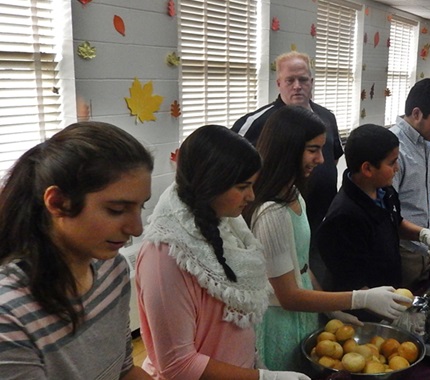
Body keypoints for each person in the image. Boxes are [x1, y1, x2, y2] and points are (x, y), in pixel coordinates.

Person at [136, 125, 308, 380]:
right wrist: (264, 378)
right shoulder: (165, 255)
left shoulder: (227, 226)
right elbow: (178, 366)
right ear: (210, 184)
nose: (251, 196)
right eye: (243, 187)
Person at [245, 107, 409, 371]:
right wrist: (359, 299)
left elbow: (302, 265)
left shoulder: (293, 194)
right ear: (288, 149)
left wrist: (329, 309)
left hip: (303, 317)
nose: (321, 159)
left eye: (322, 149)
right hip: (281, 322)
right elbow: (288, 296)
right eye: (313, 150)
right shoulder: (271, 214)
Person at [0, 122, 153, 379]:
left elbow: (124, 370)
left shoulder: (112, 268)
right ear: (58, 203)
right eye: (116, 210)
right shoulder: (9, 314)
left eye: (141, 207)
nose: (136, 229)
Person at [231, 51, 344, 287]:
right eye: (290, 80)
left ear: (311, 81)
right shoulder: (258, 122)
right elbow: (232, 170)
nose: (297, 86)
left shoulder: (326, 117)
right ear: (278, 83)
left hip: (318, 224)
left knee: (315, 285)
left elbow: (332, 160)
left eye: (303, 80)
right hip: (277, 225)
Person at [317, 124, 430, 320]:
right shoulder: (344, 218)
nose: (397, 168)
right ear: (368, 168)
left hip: (389, 293)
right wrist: (394, 312)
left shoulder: (384, 191)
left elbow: (395, 222)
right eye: (392, 162)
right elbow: (351, 282)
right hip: (361, 314)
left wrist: (422, 234)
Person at [389, 78, 430, 290]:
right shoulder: (394, 148)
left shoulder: (426, 144)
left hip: (424, 249)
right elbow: (387, 213)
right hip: (404, 251)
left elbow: (427, 190)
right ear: (416, 113)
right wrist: (421, 234)